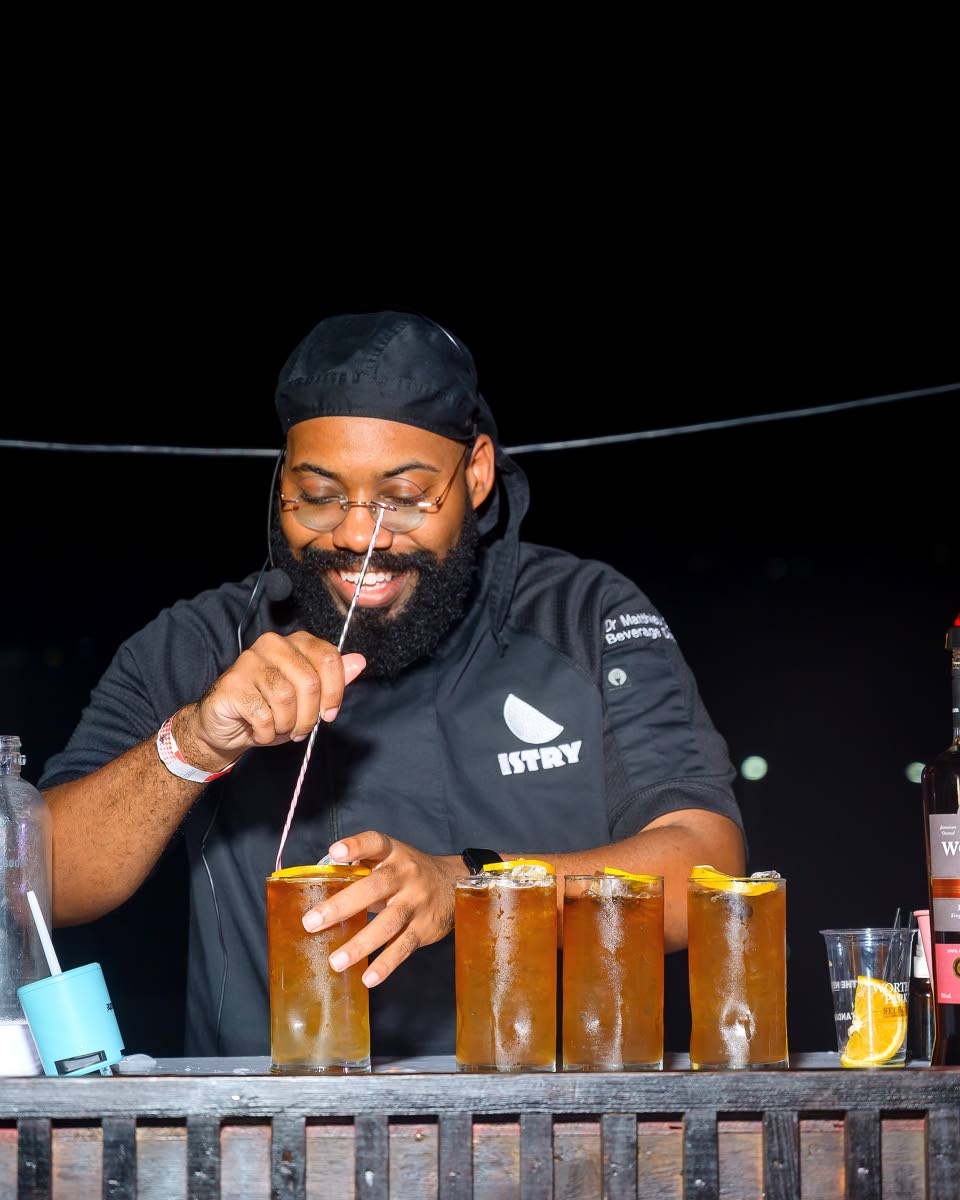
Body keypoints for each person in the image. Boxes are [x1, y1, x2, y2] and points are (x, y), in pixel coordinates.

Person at [40, 311, 745, 1057]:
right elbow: (42, 884)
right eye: (318, 494)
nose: (356, 534)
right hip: (270, 1144)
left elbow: (707, 870)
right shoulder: (202, 642)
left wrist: (478, 889)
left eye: (403, 497)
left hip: (550, 1140)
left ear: (474, 475)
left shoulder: (583, 616)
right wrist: (190, 745)